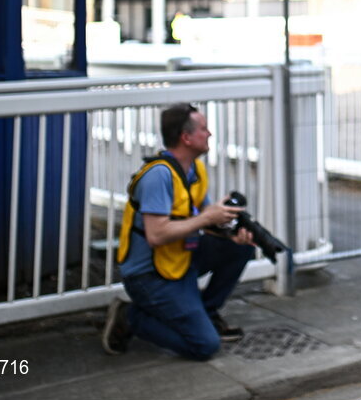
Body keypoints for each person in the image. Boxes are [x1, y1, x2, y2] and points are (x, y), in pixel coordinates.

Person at [101, 103, 256, 359]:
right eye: (204, 129)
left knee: (238, 249)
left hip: (180, 258)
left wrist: (232, 232)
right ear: (186, 137)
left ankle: (204, 312)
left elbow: (205, 222)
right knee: (204, 346)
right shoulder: (158, 176)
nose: (209, 134)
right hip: (149, 276)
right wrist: (207, 216)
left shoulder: (195, 169)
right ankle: (130, 317)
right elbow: (157, 235)